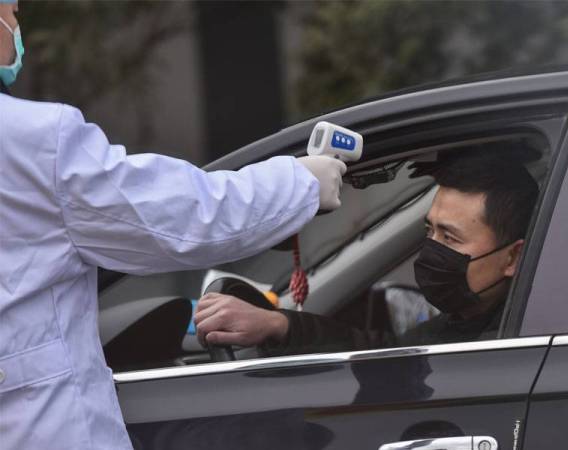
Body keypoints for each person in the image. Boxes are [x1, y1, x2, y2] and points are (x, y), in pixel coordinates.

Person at [0, 2, 347, 449]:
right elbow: (181, 218)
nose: (16, 24)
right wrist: (300, 184)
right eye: (10, 10)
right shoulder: (31, 139)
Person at [194, 154, 539, 355]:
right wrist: (278, 324)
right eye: (429, 230)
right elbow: (387, 353)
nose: (432, 248)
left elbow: (400, 372)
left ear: (512, 258)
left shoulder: (516, 339)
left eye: (450, 237)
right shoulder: (468, 320)